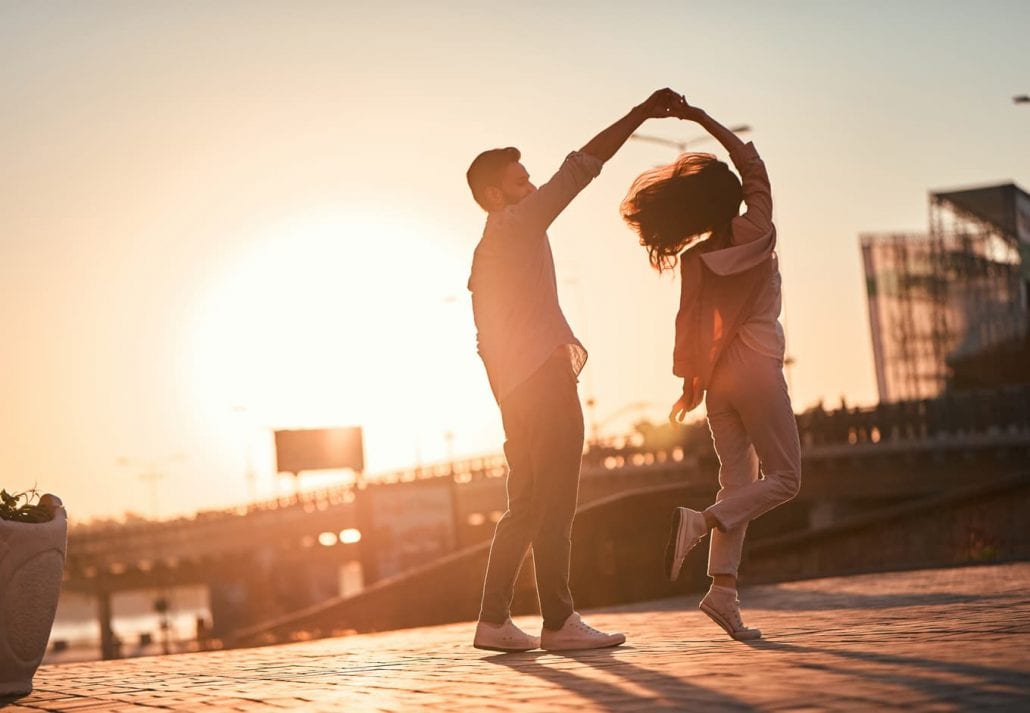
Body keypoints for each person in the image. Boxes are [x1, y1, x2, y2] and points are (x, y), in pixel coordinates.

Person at [466, 88, 685, 652]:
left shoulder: (486, 250)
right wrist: (639, 114)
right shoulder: (517, 224)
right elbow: (581, 167)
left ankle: (494, 621)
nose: (533, 188)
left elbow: (482, 338)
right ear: (494, 195)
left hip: (516, 392)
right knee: (556, 503)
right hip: (541, 381)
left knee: (526, 505)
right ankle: (559, 622)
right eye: (520, 182)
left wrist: (505, 395)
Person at [620, 97, 801, 641]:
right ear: (732, 201)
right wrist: (699, 118)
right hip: (756, 364)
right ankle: (700, 523)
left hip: (718, 377)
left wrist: (689, 384)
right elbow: (752, 164)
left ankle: (723, 591)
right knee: (786, 479)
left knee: (737, 481)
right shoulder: (758, 229)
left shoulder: (697, 259)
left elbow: (690, 324)